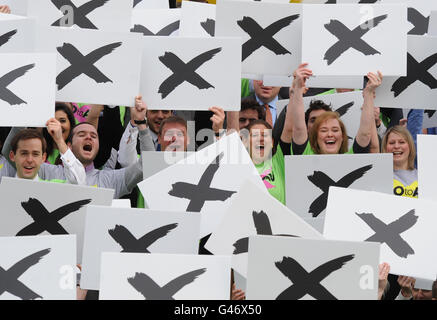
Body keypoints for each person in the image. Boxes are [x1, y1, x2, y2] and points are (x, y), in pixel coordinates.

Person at [288, 63, 381, 155]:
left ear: (343, 137)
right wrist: (298, 88)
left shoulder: (352, 157)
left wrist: (369, 92)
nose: (330, 134)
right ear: (315, 136)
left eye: (335, 130)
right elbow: (299, 128)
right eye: (323, 130)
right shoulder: (304, 153)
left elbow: (365, 134)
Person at [6, 119, 84, 184]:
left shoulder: (53, 187)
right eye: (24, 153)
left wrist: (59, 140)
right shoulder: (3, 189)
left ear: (43, 158)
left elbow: (78, 182)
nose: (29, 160)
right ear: (12, 156)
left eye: (35, 154)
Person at [381, 126, 418, 198]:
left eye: (401, 142)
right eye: (391, 143)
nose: (396, 146)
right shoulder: (379, 178)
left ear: (410, 146)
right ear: (385, 147)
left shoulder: (425, 177)